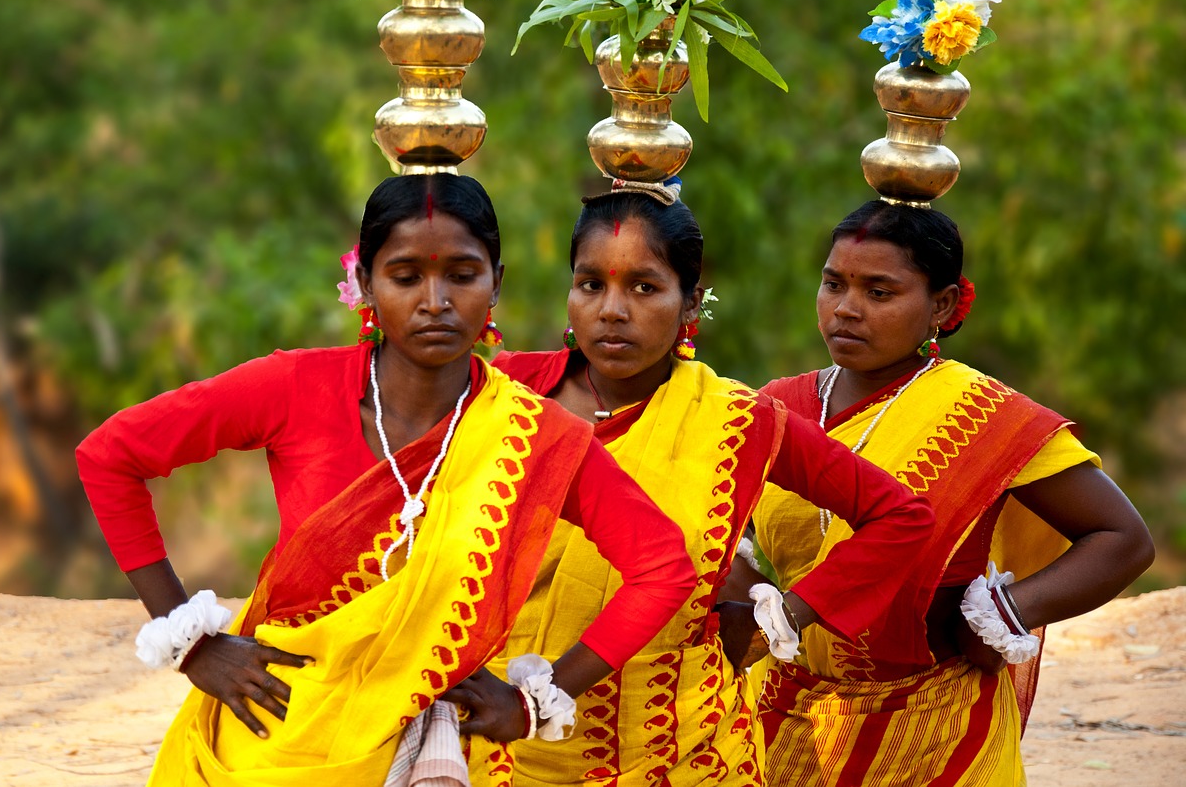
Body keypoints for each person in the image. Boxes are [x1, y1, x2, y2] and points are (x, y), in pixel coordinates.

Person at [75, 173, 700, 786]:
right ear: (365, 284)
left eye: (462, 275)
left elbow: (663, 566)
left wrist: (535, 701)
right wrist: (193, 646)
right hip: (270, 739)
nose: (436, 301)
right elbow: (110, 457)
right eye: (406, 277)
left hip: (434, 752)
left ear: (496, 285)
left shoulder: (535, 435)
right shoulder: (294, 388)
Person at [461, 184, 935, 786]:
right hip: (497, 741)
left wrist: (778, 619)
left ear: (691, 304)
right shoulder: (500, 394)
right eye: (590, 285)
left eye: (644, 287)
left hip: (678, 751)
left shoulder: (737, 421)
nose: (612, 310)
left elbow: (900, 518)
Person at [743, 200, 1155, 785]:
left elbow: (1123, 539)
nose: (846, 308)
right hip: (785, 727)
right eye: (833, 283)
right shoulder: (778, 406)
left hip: (940, 732)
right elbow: (730, 530)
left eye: (879, 292)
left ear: (940, 305)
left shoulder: (985, 415)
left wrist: (1007, 614)